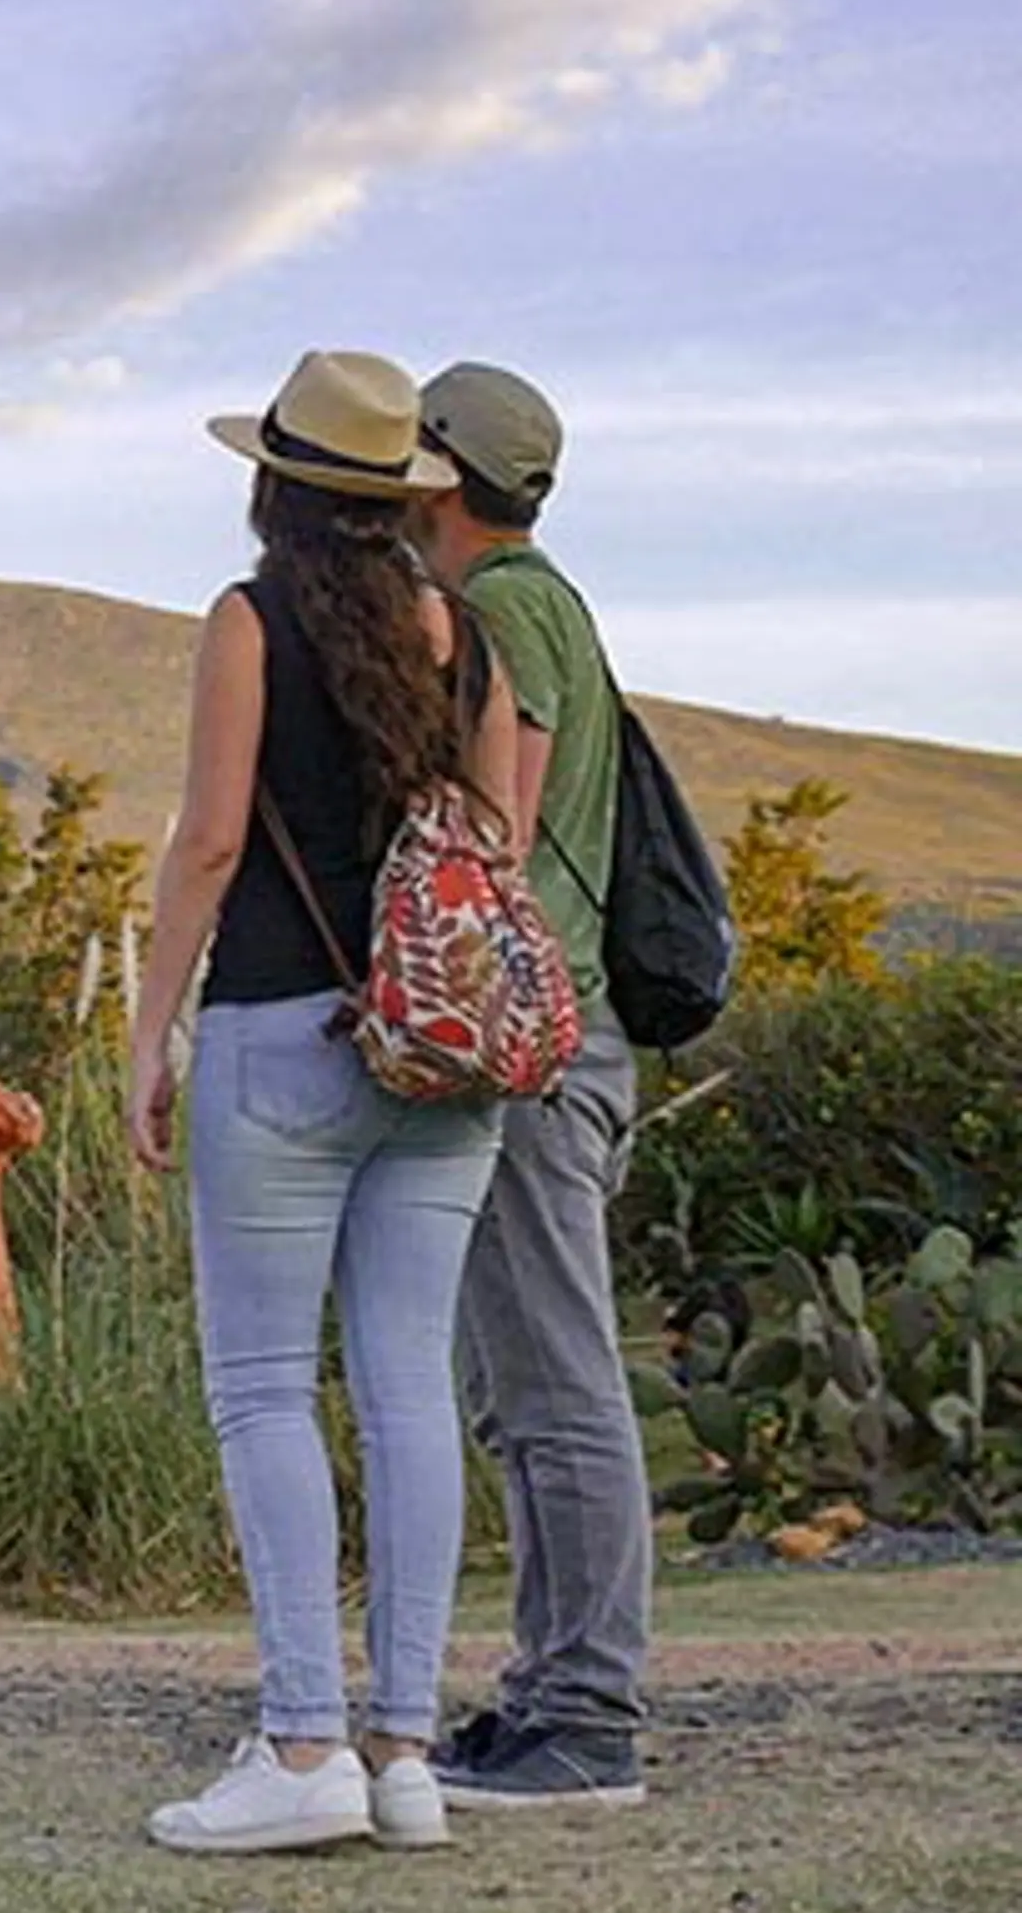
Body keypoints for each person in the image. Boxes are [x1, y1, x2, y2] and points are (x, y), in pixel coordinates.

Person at [124, 349, 519, 1856]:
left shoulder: (251, 619)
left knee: (264, 1389)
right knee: (410, 1386)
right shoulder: (471, 639)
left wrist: (148, 1034)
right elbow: (493, 853)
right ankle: (407, 1754)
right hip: (441, 1055)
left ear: (273, 483)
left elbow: (210, 842)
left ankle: (304, 1744)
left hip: (283, 1037)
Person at [413, 362, 653, 1812]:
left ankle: (589, 1717)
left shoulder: (505, 611)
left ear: (440, 475)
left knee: (556, 1384)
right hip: (561, 1038)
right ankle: (548, 1693)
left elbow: (492, 828)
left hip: (534, 1045)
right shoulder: (543, 600)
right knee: (521, 1385)